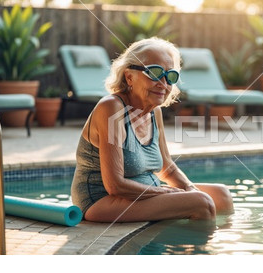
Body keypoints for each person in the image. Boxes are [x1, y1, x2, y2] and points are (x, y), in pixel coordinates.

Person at [71, 37, 234, 222]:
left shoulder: (154, 112)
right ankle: (192, 246)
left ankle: (208, 242)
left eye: (170, 76)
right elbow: (115, 186)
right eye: (154, 73)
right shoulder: (111, 108)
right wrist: (164, 192)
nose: (163, 83)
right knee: (201, 203)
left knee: (221, 196)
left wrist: (189, 188)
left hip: (145, 193)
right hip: (102, 201)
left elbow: (168, 169)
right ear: (129, 76)